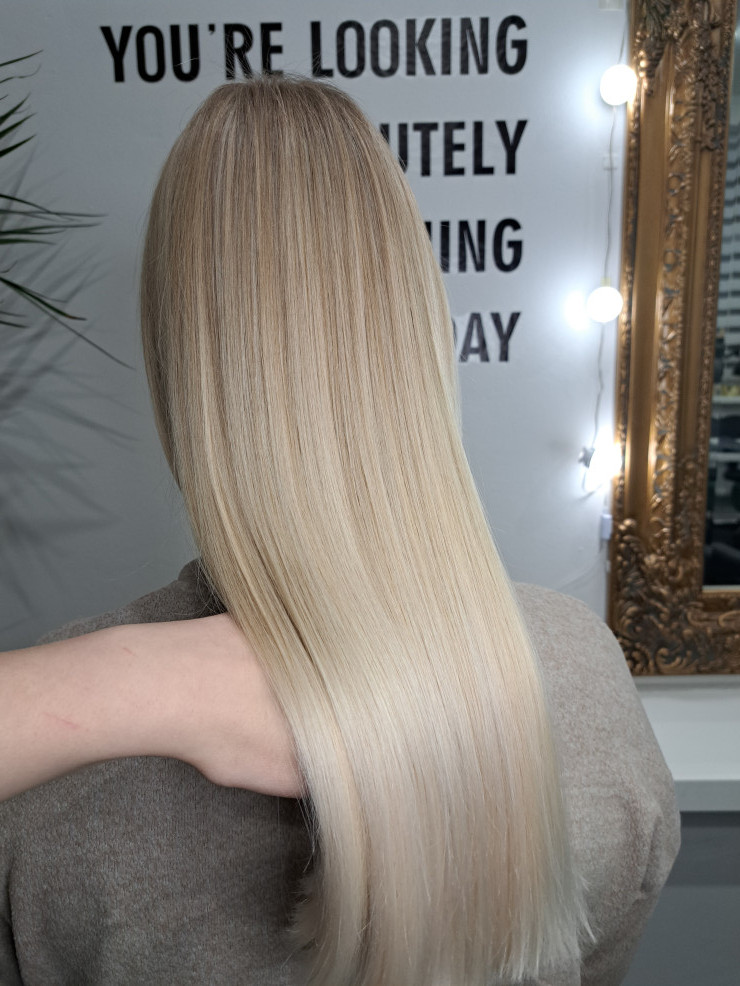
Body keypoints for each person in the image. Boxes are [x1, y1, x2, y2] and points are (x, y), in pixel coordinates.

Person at [0, 77, 679, 986]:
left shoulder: (49, 797)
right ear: (421, 331)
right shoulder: (585, 680)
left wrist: (115, 678)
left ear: (177, 365)